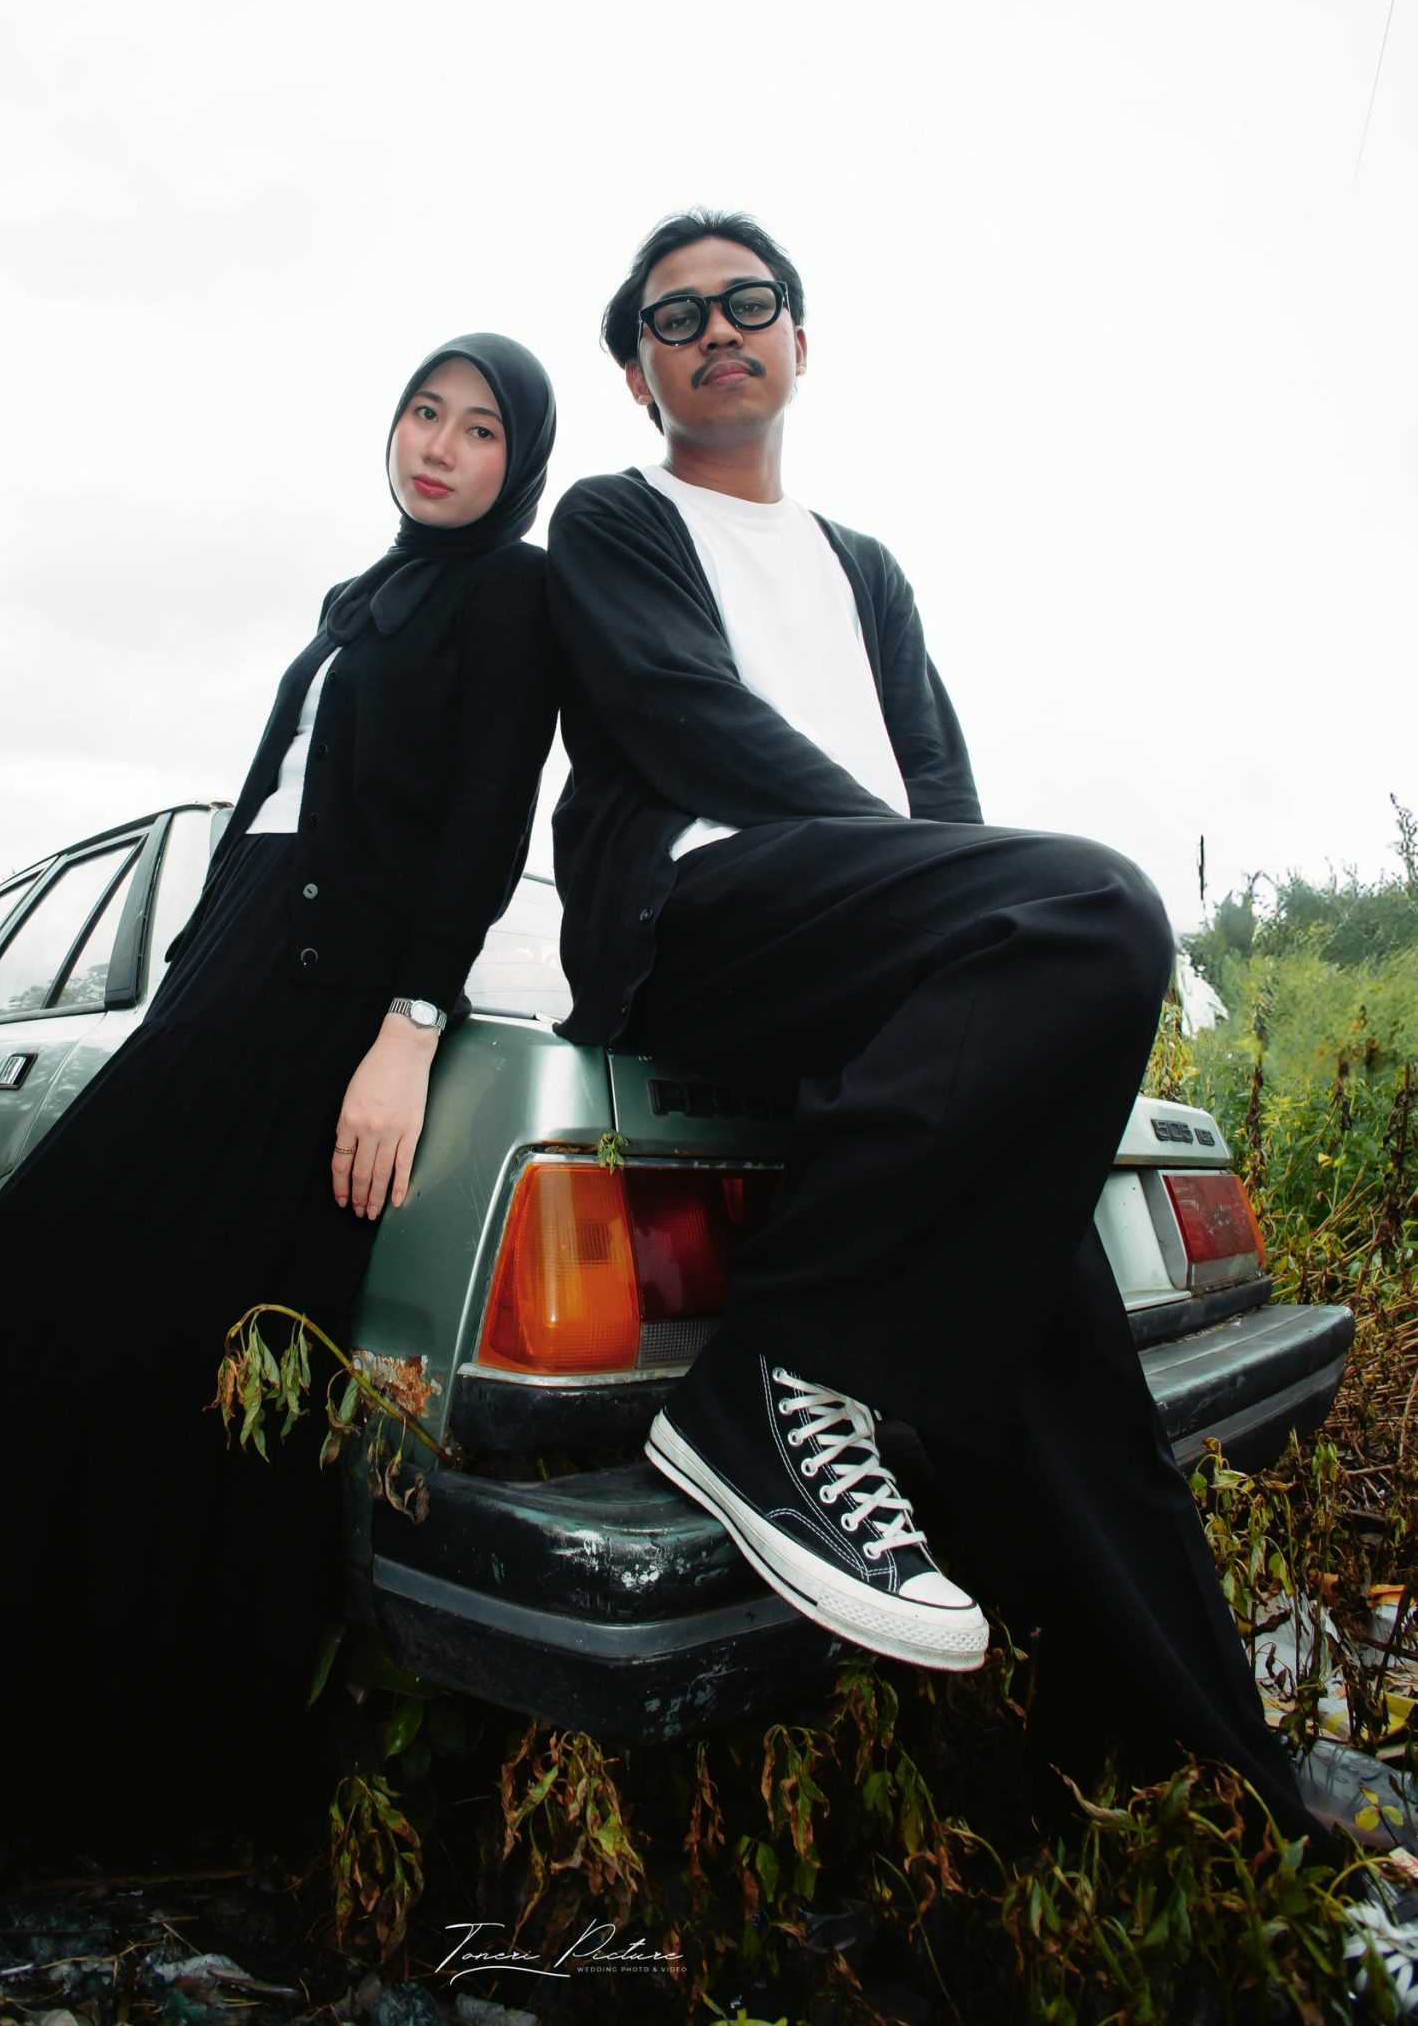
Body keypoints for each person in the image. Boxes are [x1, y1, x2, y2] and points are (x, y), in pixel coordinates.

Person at [0, 333, 560, 1969]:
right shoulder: (356, 600)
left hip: (325, 1004)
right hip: (229, 975)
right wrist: (182, 986)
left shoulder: (507, 599)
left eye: (480, 430)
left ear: (519, 461)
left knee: (46, 1288)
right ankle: (16, 1765)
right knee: (140, 1354)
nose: (442, 447)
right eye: (423, 413)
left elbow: (487, 819)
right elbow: (262, 806)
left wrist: (412, 1023)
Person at [543, 209, 1343, 1857]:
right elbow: (690, 722)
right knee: (1099, 905)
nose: (718, 330)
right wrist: (947, 898)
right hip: (708, 923)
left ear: (800, 341)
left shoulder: (866, 571)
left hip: (886, 953)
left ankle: (1218, 1793)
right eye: (677, 317)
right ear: (637, 373)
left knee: (1075, 1369)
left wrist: (957, 908)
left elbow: (945, 795)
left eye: (750, 302)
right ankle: (767, 1383)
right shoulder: (617, 520)